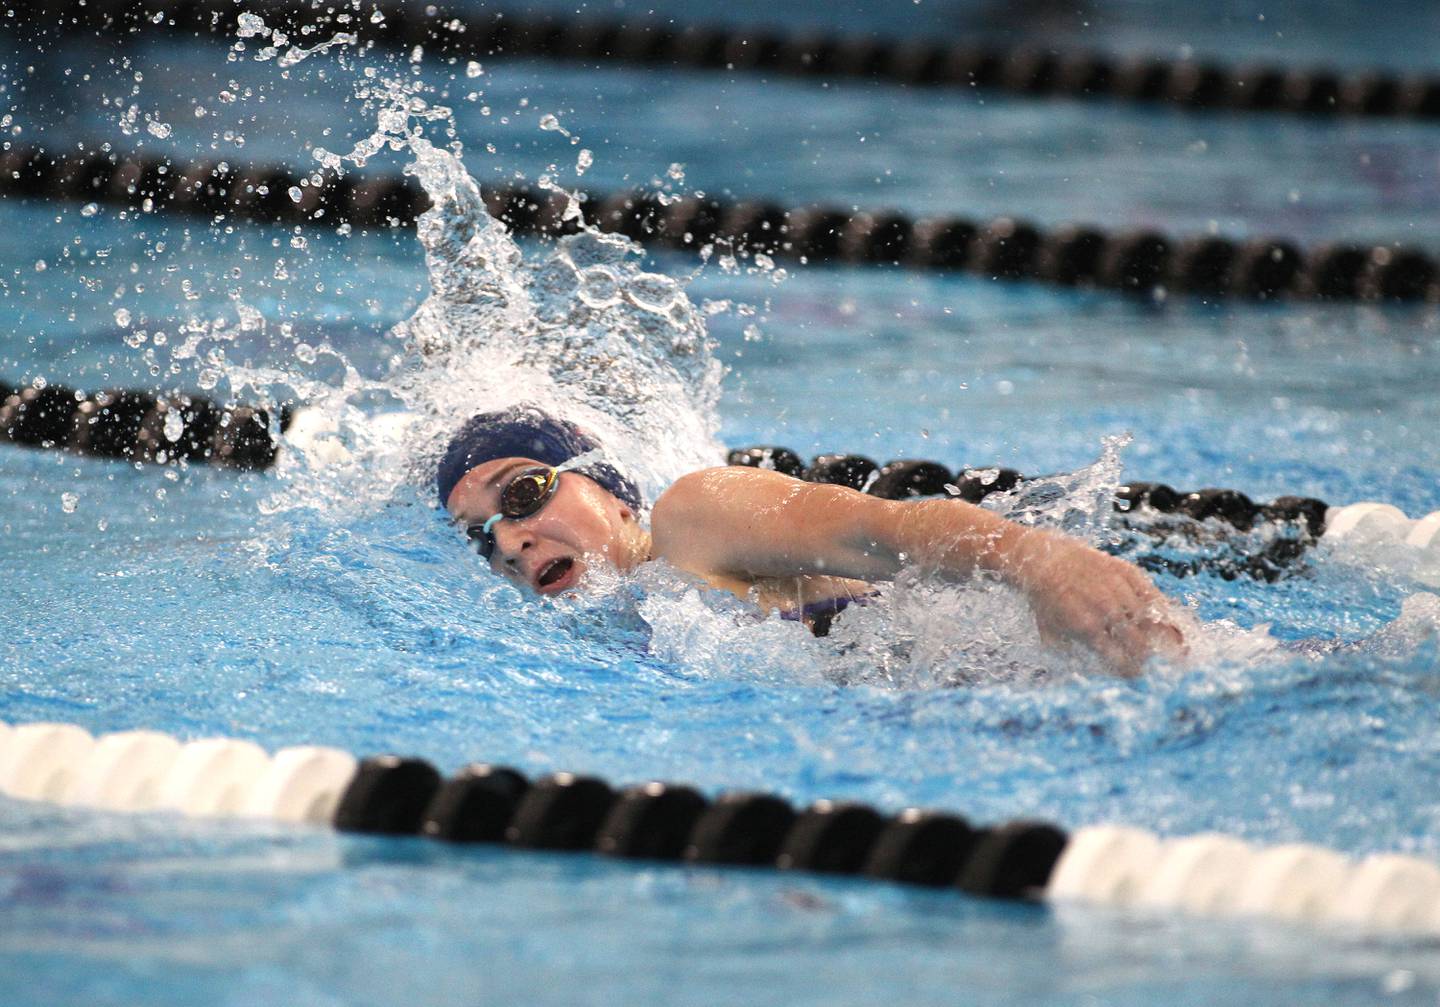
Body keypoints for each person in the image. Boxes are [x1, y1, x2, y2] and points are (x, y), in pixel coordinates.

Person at [437, 405, 1188, 677]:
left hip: (1087, 650)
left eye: (523, 491)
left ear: (602, 481)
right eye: (482, 537)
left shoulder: (692, 517)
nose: (510, 540)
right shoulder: (610, 636)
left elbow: (889, 529)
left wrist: (1042, 562)